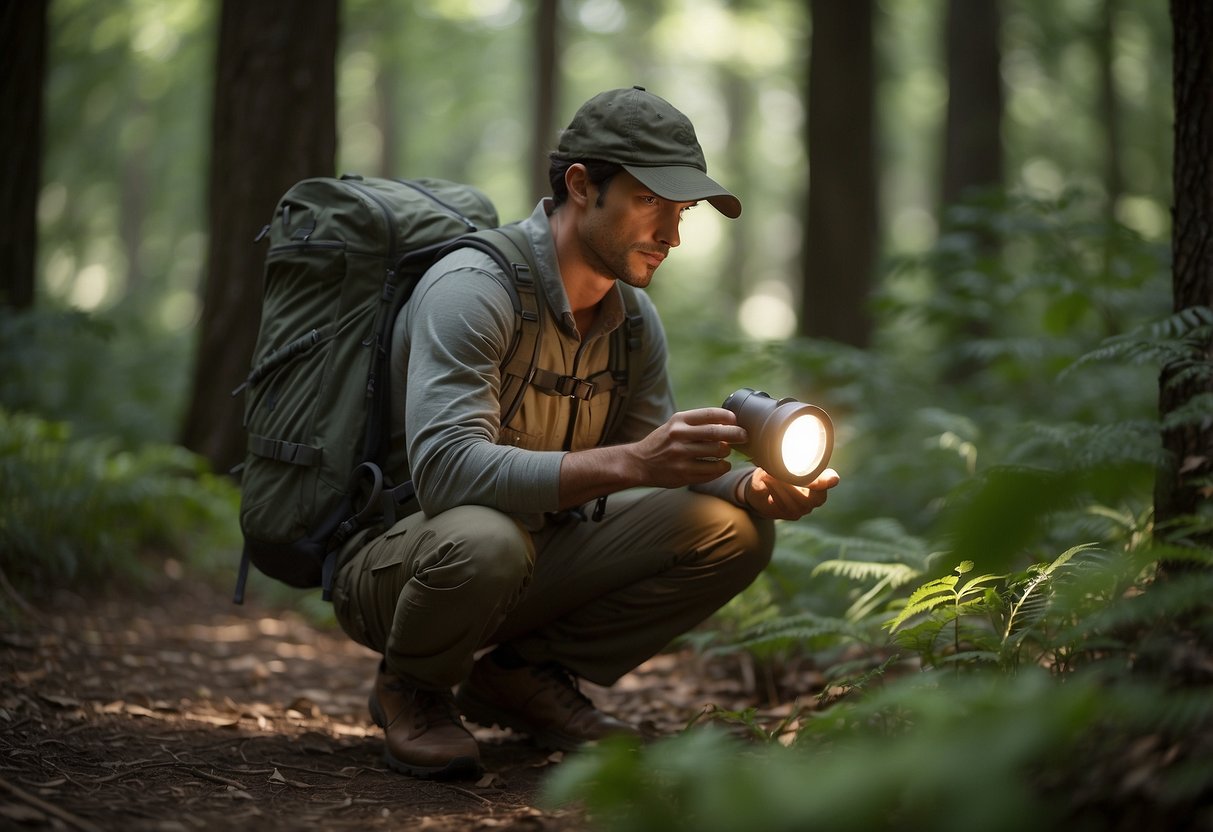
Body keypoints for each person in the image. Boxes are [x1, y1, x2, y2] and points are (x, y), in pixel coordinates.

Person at [331, 86, 840, 780]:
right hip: (407, 565)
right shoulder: (472, 286)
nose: (671, 234)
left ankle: (522, 677)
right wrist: (632, 462)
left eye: (680, 211)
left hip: (531, 552)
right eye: (649, 202)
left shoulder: (630, 320)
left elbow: (662, 467)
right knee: (484, 539)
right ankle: (412, 688)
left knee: (733, 529)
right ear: (580, 185)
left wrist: (748, 485)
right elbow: (446, 474)